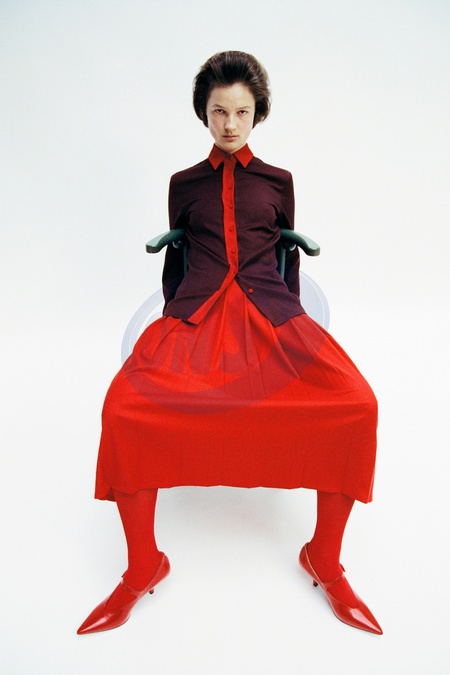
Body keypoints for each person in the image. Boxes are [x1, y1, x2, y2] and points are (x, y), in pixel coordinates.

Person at [77, 51, 382, 636]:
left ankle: (324, 557)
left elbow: (287, 256)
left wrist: (292, 324)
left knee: (357, 406)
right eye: (219, 111)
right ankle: (143, 565)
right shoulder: (184, 185)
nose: (230, 124)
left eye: (241, 111)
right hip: (198, 312)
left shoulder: (277, 182)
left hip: (271, 312)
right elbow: (177, 257)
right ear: (204, 113)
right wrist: (175, 323)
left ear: (257, 113)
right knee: (123, 410)